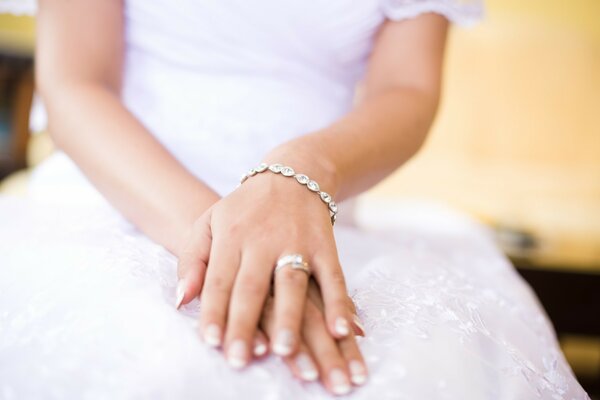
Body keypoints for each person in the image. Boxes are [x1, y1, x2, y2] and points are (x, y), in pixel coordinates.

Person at [0, 0, 589, 399]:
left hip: (324, 218)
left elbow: (406, 90)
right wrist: (228, 242)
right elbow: (77, 81)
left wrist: (299, 174)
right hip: (116, 197)